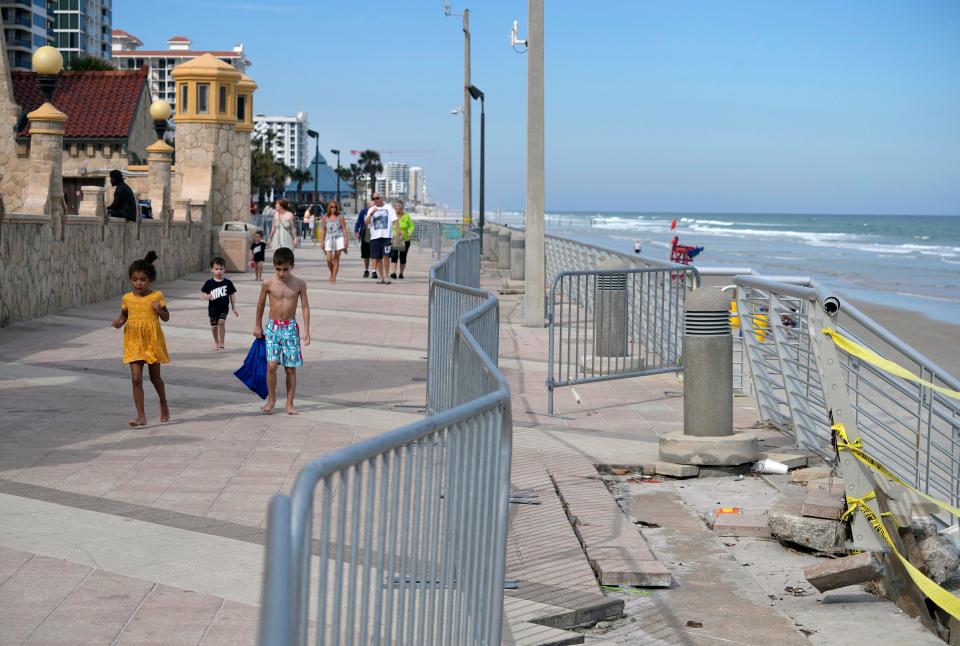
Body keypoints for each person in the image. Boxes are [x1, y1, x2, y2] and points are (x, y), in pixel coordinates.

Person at [112, 250, 170, 427]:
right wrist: (119, 322)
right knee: (136, 378)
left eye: (143, 279)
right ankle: (141, 415)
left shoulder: (156, 296)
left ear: (150, 280)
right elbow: (124, 315)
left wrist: (158, 309)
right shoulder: (127, 298)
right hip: (133, 340)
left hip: (152, 340)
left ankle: (163, 402)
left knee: (155, 378)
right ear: (130, 279)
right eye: (135, 279)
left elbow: (166, 317)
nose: (139, 283)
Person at [254, 247, 311, 415]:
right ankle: (271, 399)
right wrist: (257, 325)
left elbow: (305, 307)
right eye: (278, 269)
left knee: (290, 368)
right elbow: (260, 305)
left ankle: (290, 403)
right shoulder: (268, 283)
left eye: (285, 269)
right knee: (271, 365)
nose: (281, 272)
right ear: (273, 266)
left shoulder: (299, 284)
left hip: (290, 328)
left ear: (292, 266)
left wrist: (307, 331)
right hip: (272, 328)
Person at [200, 257, 238, 351]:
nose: (219, 271)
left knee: (221, 322)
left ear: (224, 269)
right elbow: (203, 293)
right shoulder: (209, 283)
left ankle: (222, 342)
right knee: (214, 327)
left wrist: (233, 307)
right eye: (216, 269)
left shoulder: (228, 283)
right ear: (212, 270)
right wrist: (206, 296)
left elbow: (232, 295)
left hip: (223, 308)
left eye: (221, 269)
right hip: (213, 309)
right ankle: (216, 341)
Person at [364, 193, 397, 285]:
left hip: (386, 236)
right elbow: (366, 222)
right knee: (378, 258)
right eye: (374, 198)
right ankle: (381, 277)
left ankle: (387, 277)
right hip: (375, 237)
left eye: (377, 198)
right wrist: (371, 214)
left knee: (386, 257)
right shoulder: (371, 209)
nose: (375, 200)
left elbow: (395, 220)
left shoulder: (389, 208)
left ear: (382, 199)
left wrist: (397, 233)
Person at [321, 200, 348, 283]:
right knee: (329, 259)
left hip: (339, 238)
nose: (334, 208)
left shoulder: (340, 217)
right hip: (329, 238)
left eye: (335, 207)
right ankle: (332, 272)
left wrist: (345, 240)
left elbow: (344, 229)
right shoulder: (325, 217)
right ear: (329, 207)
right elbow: (323, 230)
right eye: (332, 207)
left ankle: (334, 277)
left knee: (336, 259)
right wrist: (322, 241)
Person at [389, 200, 415, 279]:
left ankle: (401, 273)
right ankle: (393, 273)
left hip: (405, 239)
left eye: (399, 209)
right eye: (396, 209)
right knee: (394, 256)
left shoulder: (406, 216)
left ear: (402, 208)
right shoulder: (392, 216)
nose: (398, 210)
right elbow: (389, 227)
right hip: (395, 239)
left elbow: (411, 226)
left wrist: (410, 232)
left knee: (403, 257)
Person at [354, 200, 374, 278]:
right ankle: (366, 270)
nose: (371, 207)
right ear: (367, 206)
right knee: (366, 255)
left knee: (374, 255)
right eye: (370, 206)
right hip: (365, 236)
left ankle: (374, 270)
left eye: (372, 206)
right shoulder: (363, 211)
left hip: (374, 236)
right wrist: (356, 231)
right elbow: (358, 222)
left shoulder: (377, 211)